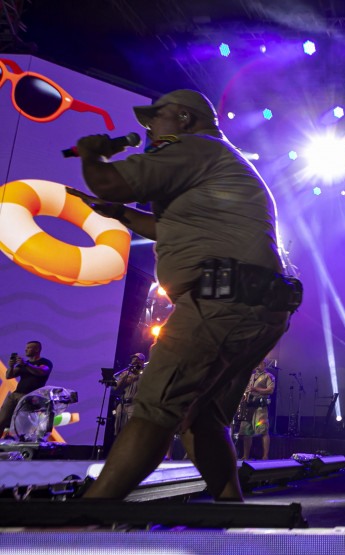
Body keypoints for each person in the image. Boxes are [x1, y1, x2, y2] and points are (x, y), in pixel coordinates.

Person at [71, 89, 296, 501]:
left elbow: (110, 181)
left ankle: (89, 512)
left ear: (184, 118)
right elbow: (170, 228)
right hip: (255, 303)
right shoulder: (218, 162)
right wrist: (121, 214)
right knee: (200, 416)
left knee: (156, 407)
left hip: (222, 302)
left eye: (155, 119)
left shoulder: (193, 148)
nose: (149, 128)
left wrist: (92, 155)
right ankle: (231, 507)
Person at [1, 341, 53, 437]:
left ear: (37, 349)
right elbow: (9, 376)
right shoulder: (24, 364)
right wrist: (11, 367)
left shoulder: (44, 362)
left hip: (29, 397)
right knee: (2, 420)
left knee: (22, 424)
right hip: (15, 395)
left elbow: (42, 371)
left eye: (29, 347)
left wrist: (26, 365)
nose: (26, 349)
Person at [240, 360, 275, 460]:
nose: (258, 365)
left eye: (260, 363)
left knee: (263, 430)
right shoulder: (251, 376)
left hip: (260, 407)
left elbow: (271, 390)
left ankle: (265, 455)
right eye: (257, 363)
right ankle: (245, 456)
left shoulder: (269, 376)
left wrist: (256, 389)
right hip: (248, 406)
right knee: (246, 431)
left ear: (264, 364)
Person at [112, 353, 146, 437]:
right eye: (133, 359)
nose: (134, 361)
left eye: (137, 360)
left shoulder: (144, 373)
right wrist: (126, 376)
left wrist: (138, 373)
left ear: (142, 361)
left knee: (132, 430)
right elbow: (116, 388)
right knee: (118, 430)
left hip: (134, 405)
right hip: (122, 404)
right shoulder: (125, 374)